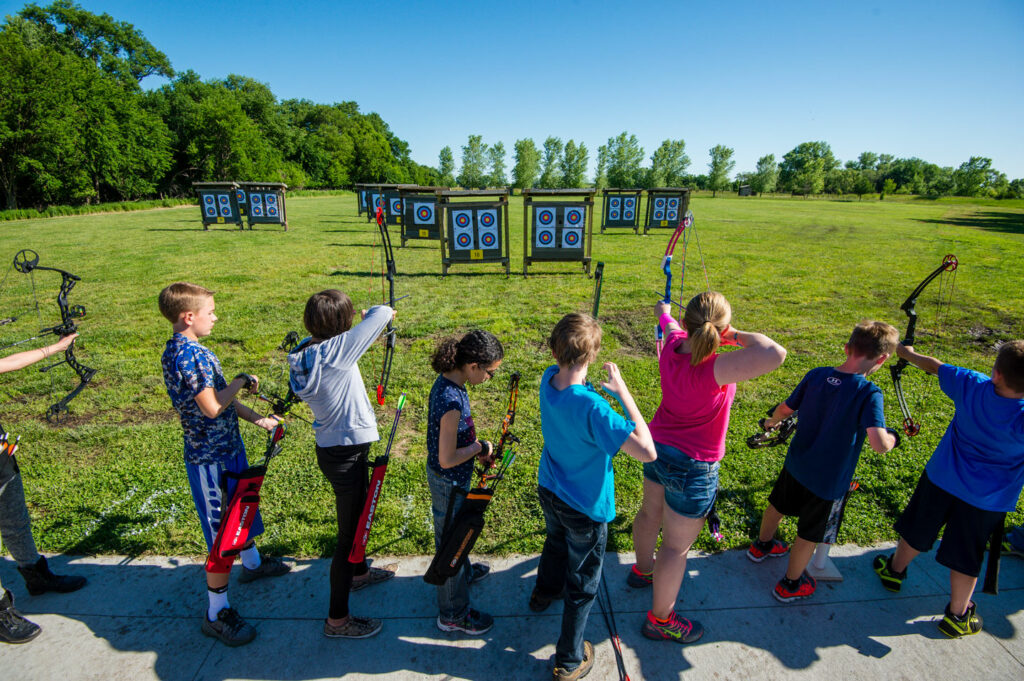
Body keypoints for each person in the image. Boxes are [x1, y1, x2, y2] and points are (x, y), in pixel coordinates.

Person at [631, 292, 786, 643]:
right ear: (722, 328)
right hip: (693, 465)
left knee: (648, 514)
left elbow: (666, 320)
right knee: (675, 548)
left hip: (658, 449)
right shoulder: (717, 367)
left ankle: (642, 570)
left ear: (687, 324)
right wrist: (734, 333)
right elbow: (775, 353)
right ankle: (660, 619)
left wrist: (664, 313)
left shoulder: (673, 343)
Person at [159, 282, 291, 648]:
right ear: (189, 316)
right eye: (210, 312)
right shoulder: (189, 356)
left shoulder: (192, 350)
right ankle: (216, 613)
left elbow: (222, 399)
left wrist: (258, 419)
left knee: (242, 510)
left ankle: (252, 565)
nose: (215, 317)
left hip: (227, 449)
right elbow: (213, 406)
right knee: (223, 534)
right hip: (209, 458)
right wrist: (241, 379)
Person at [531, 313, 656, 681]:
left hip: (550, 488)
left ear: (555, 350)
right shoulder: (595, 408)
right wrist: (624, 393)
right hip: (584, 507)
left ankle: (543, 593)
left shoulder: (547, 380)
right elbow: (647, 451)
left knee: (555, 541)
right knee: (584, 583)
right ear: (591, 356)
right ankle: (569, 660)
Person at [872, 340, 1024, 638]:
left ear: (996, 373)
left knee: (919, 528)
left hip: (941, 479)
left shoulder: (972, 384)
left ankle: (894, 570)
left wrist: (905, 353)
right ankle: (958, 614)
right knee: (967, 552)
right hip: (986, 500)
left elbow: (933, 366)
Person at [748, 321, 900, 602]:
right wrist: (892, 437)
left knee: (776, 505)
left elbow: (785, 408)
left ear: (847, 348)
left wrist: (772, 421)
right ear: (882, 359)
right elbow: (879, 445)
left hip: (796, 464)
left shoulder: (817, 375)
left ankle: (762, 546)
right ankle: (790, 584)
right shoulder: (869, 393)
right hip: (828, 482)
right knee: (809, 534)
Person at [288, 289, 398, 640]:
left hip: (337, 449)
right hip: (345, 454)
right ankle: (337, 620)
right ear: (342, 323)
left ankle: (360, 573)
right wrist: (370, 314)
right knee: (347, 534)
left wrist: (356, 319)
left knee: (358, 517)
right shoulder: (336, 353)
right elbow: (382, 315)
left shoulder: (305, 349)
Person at [0, 336, 88, 644]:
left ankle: (36, 575)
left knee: (15, 520)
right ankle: (1, 611)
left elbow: (7, 364)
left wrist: (55, 349)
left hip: (1, 457)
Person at [426, 330, 503, 636]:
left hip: (455, 479)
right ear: (473, 366)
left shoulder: (454, 385)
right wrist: (479, 448)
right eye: (490, 373)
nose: (489, 378)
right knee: (451, 545)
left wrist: (474, 450)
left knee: (459, 531)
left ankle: (465, 572)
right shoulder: (450, 399)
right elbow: (446, 458)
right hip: (449, 480)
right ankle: (453, 614)